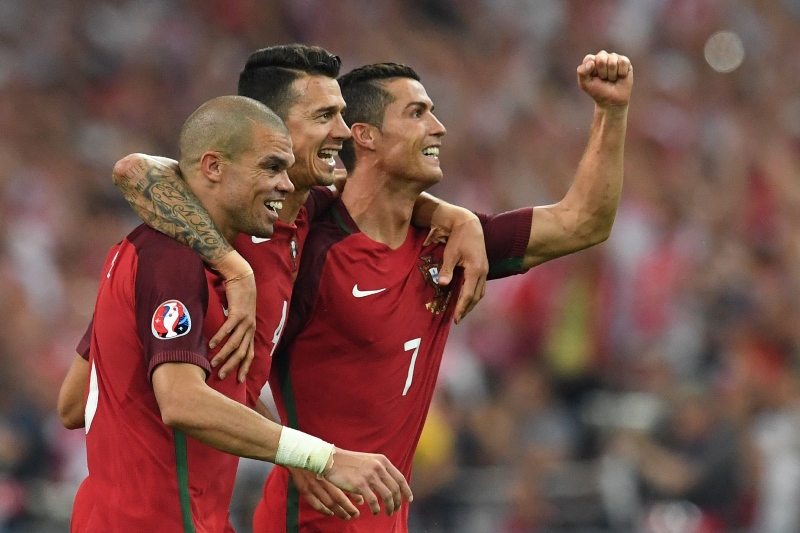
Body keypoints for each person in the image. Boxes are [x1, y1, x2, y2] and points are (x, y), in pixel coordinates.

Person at [58, 44, 484, 527]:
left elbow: (77, 400)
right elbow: (181, 401)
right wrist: (320, 455)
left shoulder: (290, 226)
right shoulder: (174, 258)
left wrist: (455, 215)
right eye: (325, 115)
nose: (342, 133)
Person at [254, 51, 632, 532]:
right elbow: (229, 372)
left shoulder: (448, 246)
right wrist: (298, 456)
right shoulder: (308, 241)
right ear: (365, 136)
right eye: (416, 113)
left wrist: (610, 111)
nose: (439, 127)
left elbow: (583, 222)